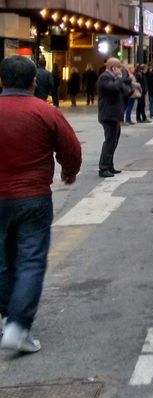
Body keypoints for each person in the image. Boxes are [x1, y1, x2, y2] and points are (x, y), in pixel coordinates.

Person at [0, 55, 82, 355]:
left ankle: (8, 318)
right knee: (31, 260)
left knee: (3, 261)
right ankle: (18, 326)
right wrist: (68, 171)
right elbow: (71, 148)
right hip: (33, 196)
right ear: (34, 82)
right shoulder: (44, 112)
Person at [97, 57, 132, 177]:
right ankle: (103, 167)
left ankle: (110, 165)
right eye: (119, 68)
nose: (120, 70)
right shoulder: (104, 77)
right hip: (108, 115)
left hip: (114, 115)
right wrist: (120, 78)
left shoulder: (113, 78)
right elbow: (113, 88)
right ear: (113, 67)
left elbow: (124, 90)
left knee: (114, 141)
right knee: (109, 141)